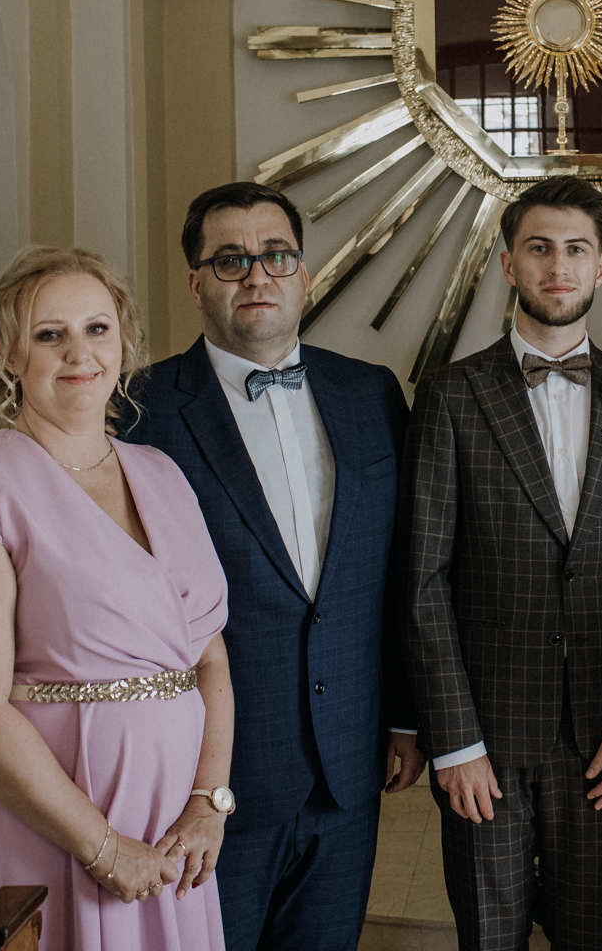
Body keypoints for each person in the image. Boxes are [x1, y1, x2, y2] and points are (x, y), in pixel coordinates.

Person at [121, 181, 423, 951]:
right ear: (196, 283)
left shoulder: (372, 393)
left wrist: (404, 714)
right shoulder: (139, 410)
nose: (256, 274)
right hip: (207, 777)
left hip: (349, 764)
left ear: (304, 274)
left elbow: (400, 572)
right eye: (230, 260)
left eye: (276, 255)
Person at [0, 246, 232, 950]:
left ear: (124, 342)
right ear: (6, 354)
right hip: (36, 822)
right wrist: (103, 848)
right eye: (49, 334)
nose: (79, 353)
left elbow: (209, 659)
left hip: (170, 830)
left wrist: (209, 801)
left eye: (97, 329)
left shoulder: (162, 473)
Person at [403, 176, 602, 951]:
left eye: (576, 249)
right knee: (490, 938)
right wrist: (454, 740)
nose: (558, 266)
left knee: (590, 936)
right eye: (539, 248)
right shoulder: (450, 395)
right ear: (507, 264)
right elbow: (423, 581)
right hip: (484, 734)